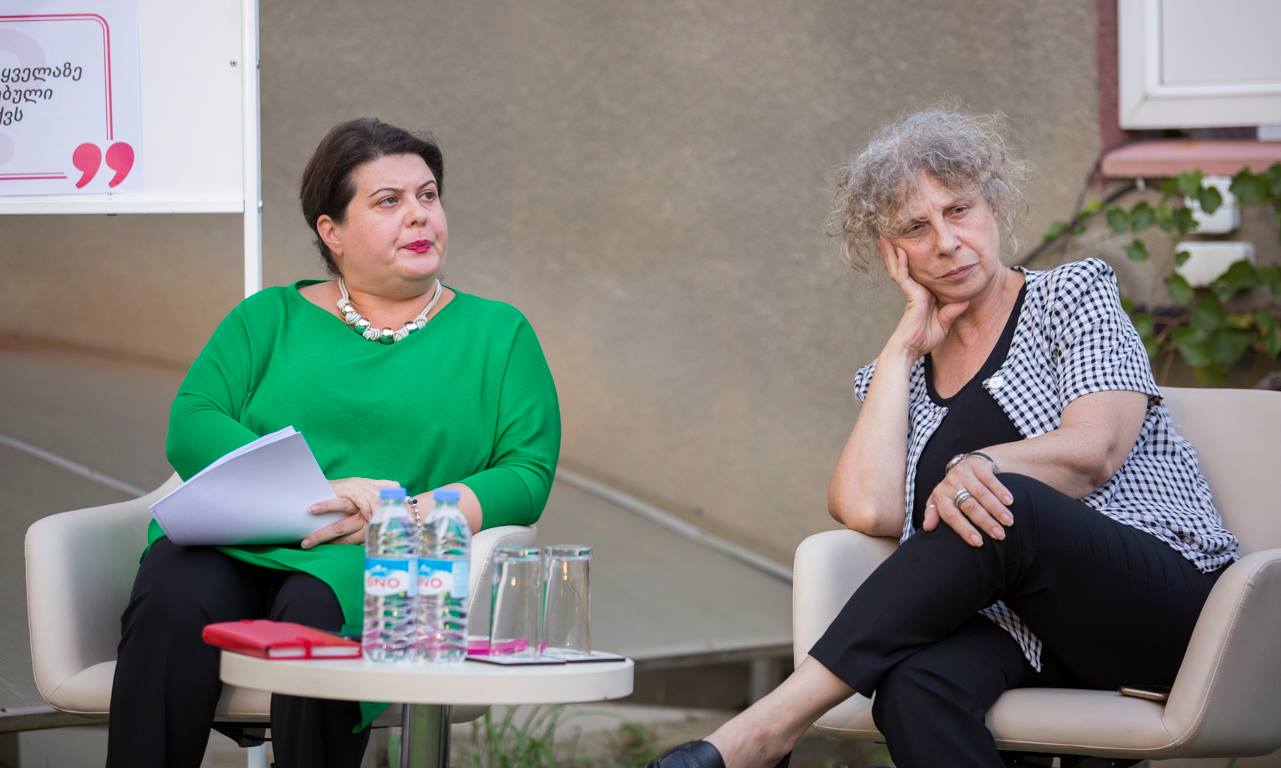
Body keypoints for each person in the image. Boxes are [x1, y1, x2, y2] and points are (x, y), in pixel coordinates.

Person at [649, 108, 1237, 768]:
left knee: (1004, 500)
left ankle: (768, 729)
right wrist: (903, 348)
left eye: (958, 211)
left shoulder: (1071, 296)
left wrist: (977, 463)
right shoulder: (897, 376)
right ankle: (770, 734)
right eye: (915, 228)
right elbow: (868, 509)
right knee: (914, 685)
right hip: (1028, 631)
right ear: (890, 251)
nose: (947, 242)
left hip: (1166, 613)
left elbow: (1093, 452)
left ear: (993, 206)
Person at [107, 118, 561, 768]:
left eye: (428, 196)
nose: (419, 215)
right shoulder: (268, 317)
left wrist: (399, 516)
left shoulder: (498, 333)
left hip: (377, 555)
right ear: (332, 231)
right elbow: (194, 421)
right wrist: (319, 492)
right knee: (172, 595)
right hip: (234, 535)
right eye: (388, 201)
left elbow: (525, 472)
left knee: (315, 608)